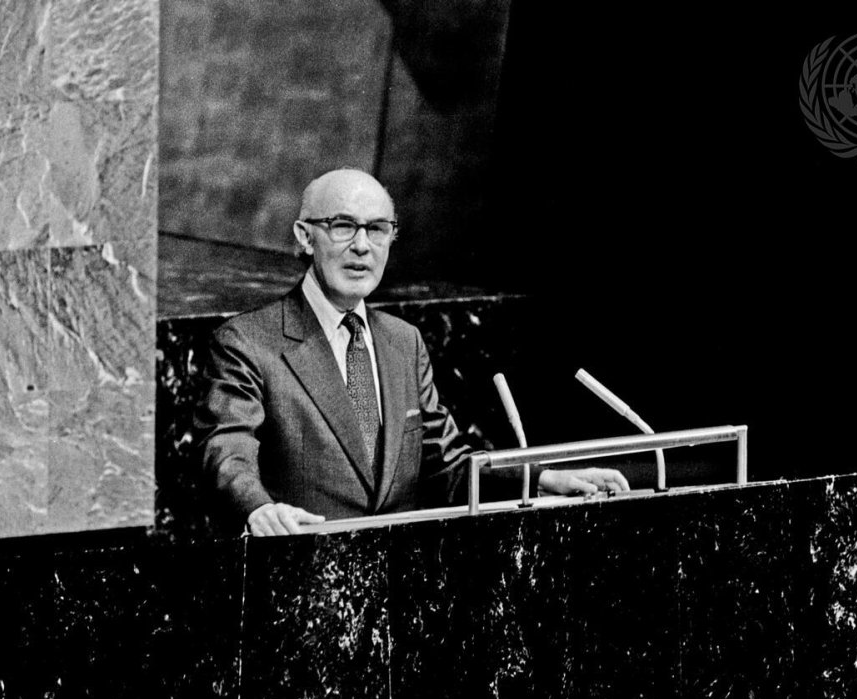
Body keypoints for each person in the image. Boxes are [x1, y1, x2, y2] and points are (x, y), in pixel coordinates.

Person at [196, 168, 629, 536]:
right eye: (343, 226)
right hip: (302, 590)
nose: (362, 246)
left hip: (400, 594)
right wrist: (258, 509)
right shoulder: (248, 341)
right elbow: (227, 450)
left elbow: (451, 468)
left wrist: (544, 479)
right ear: (305, 237)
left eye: (377, 229)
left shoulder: (403, 342)